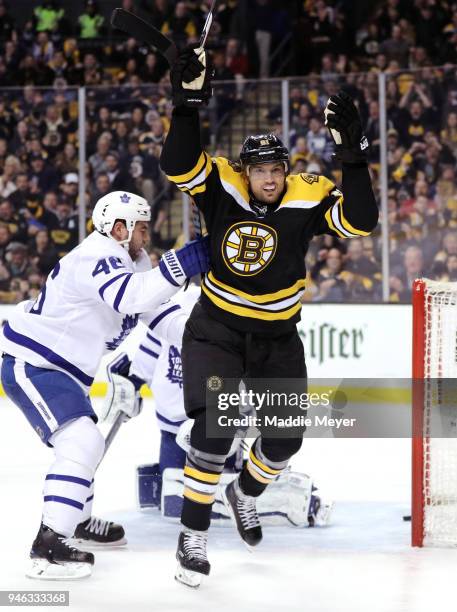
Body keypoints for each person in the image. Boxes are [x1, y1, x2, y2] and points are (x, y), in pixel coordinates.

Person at [159, 47, 378, 586]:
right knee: (216, 428)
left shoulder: (306, 196)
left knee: (284, 441)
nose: (269, 178)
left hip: (278, 335)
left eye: (276, 168)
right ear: (245, 170)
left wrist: (353, 157)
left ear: (286, 170)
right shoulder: (222, 185)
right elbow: (177, 162)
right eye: (259, 169)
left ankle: (244, 493)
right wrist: (186, 105)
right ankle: (193, 536)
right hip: (217, 329)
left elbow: (361, 221)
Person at [0, 190, 210, 580]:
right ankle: (48, 546)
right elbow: (131, 298)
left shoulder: (134, 260)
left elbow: (161, 315)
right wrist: (182, 263)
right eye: (142, 229)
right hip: (34, 362)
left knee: (84, 442)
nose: (147, 237)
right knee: (81, 442)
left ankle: (76, 522)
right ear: (119, 228)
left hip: (61, 370)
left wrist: (214, 339)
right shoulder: (97, 253)